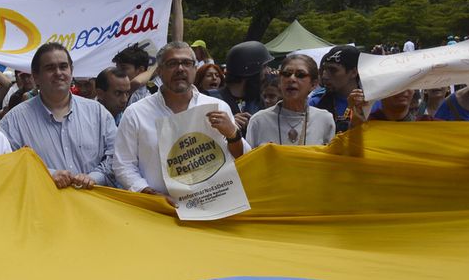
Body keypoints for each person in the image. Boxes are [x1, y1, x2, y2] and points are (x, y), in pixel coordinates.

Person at [113, 41, 240, 194]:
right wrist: (147, 191)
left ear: (195, 68)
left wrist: (233, 134)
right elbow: (123, 164)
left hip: (213, 205)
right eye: (172, 63)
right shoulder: (136, 113)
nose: (180, 69)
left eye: (186, 63)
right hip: (158, 209)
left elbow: (241, 157)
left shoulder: (218, 107)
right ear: (159, 71)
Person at [0, 42, 115, 188]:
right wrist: (47, 174)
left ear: (71, 71)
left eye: (63, 66)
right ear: (36, 76)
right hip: (43, 206)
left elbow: (115, 156)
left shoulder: (98, 113)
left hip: (93, 204)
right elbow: (7, 164)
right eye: (50, 68)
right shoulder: (14, 121)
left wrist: (94, 178)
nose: (58, 73)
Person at [245, 54, 336, 147]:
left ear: (313, 84)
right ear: (280, 81)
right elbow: (248, 159)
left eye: (300, 75)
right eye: (286, 74)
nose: (291, 79)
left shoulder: (324, 120)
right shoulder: (259, 120)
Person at [210, 40, 272, 131]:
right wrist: (228, 124)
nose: (268, 71)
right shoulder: (212, 100)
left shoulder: (258, 102)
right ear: (250, 71)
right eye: (264, 67)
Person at [310, 45, 359, 132]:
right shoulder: (315, 103)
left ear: (353, 72)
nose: (324, 76)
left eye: (333, 70)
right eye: (323, 70)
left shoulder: (375, 103)